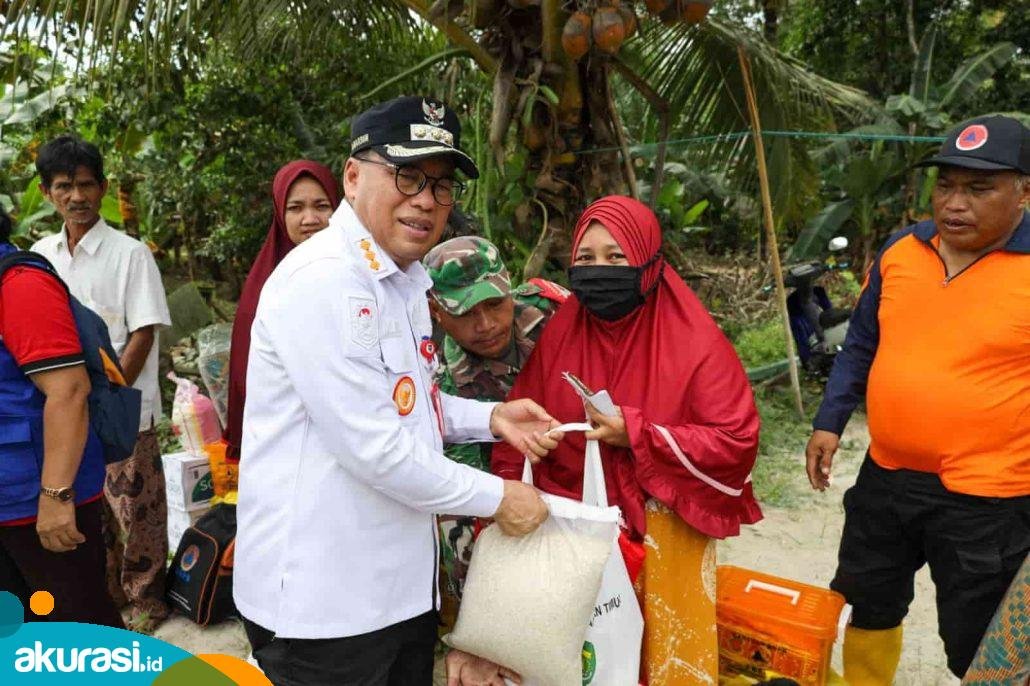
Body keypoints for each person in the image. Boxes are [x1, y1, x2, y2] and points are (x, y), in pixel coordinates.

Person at [233, 96, 558, 686]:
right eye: (407, 175)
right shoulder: (324, 281)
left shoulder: (402, 279)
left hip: (397, 589)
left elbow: (407, 402)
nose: (427, 200)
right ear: (354, 175)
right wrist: (499, 497)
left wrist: (491, 419)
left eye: (441, 184)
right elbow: (374, 447)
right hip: (325, 605)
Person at [493, 195, 762, 682]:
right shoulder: (562, 334)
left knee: (658, 665)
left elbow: (735, 440)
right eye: (586, 259)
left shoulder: (695, 343)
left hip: (663, 542)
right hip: (568, 539)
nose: (600, 271)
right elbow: (516, 429)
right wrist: (530, 453)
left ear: (649, 261)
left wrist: (636, 433)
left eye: (616, 258)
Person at [805, 115, 1030, 682]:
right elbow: (860, 343)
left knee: (979, 640)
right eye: (947, 185)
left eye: (980, 189)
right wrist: (830, 419)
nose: (956, 203)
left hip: (989, 497)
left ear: (1023, 191)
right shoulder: (902, 249)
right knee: (867, 595)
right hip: (888, 475)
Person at [31, 135, 172, 632]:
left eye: (87, 185)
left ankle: (146, 602)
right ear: (48, 192)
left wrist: (111, 400)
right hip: (68, 411)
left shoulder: (130, 255)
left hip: (121, 408)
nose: (77, 197)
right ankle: (108, 601)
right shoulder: (40, 257)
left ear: (103, 187)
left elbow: (144, 331)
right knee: (93, 513)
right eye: (65, 186)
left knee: (139, 513)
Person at [423, 236, 567, 614]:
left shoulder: (553, 310)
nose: (486, 324)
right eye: (465, 313)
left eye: (494, 304)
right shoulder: (438, 376)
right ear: (436, 311)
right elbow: (466, 475)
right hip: (506, 478)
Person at [0, 208, 124, 628]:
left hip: (37, 504)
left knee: (79, 634)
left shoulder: (20, 285)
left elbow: (69, 392)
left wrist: (55, 498)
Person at [223, 160, 340, 463]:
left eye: (322, 205)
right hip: (283, 441)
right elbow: (243, 374)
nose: (310, 218)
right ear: (279, 213)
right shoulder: (266, 286)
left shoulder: (359, 274)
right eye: (296, 208)